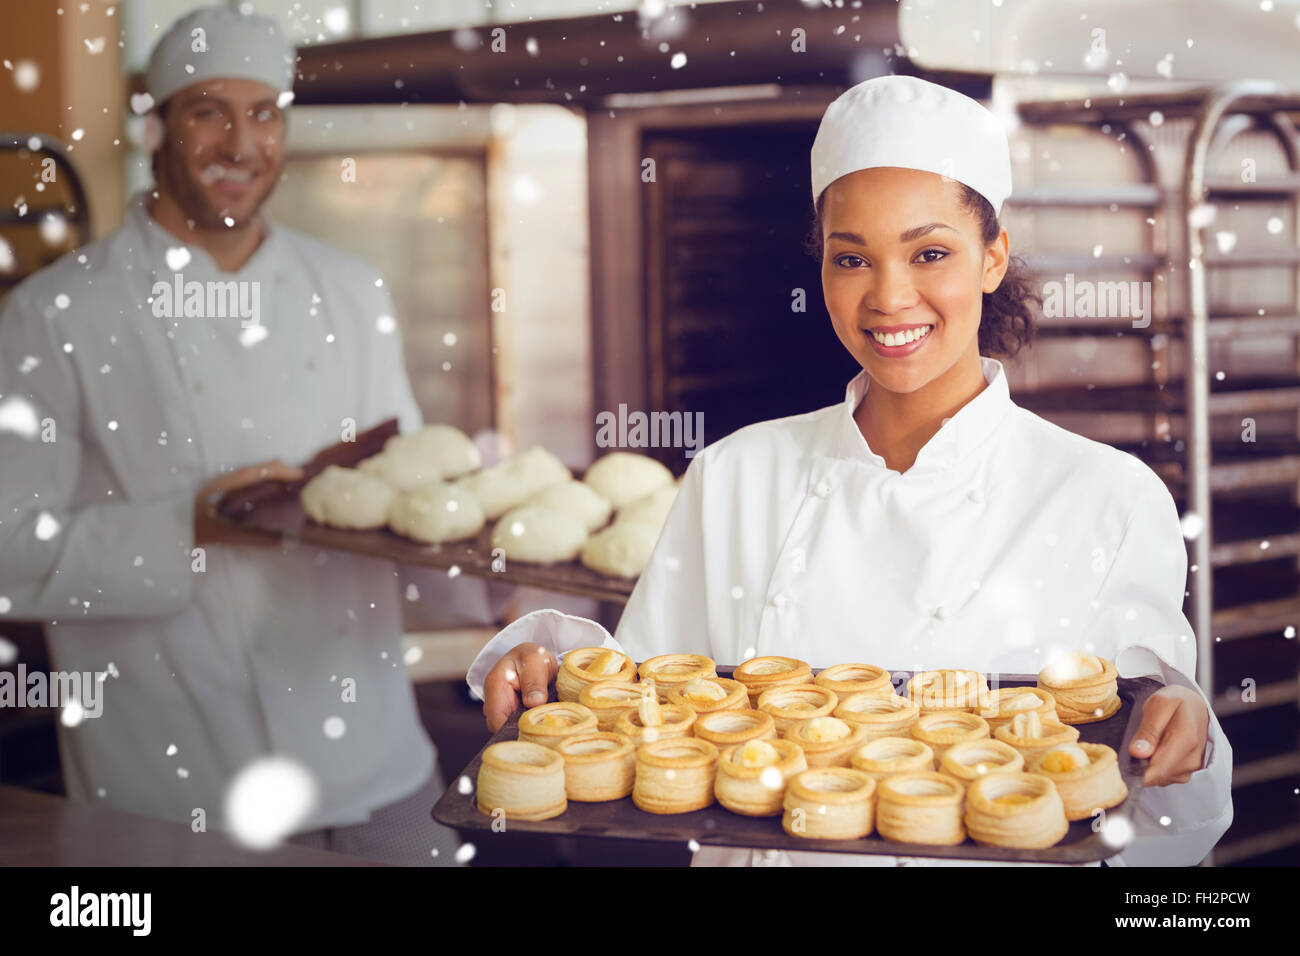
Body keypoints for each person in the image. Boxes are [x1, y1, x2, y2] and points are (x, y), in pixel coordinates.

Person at [467, 75, 1233, 867]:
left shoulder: (1105, 498)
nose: (889, 297)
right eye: (852, 259)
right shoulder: (736, 474)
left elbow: (1167, 819)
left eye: (930, 252)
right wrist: (550, 680)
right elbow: (643, 710)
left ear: (993, 256)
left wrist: (1188, 736)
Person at [0, 5, 492, 865]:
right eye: (208, 112)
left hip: (378, 769)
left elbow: (397, 498)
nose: (241, 143)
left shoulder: (349, 289)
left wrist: (495, 570)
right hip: (177, 791)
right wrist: (186, 525)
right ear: (155, 124)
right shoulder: (57, 315)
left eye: (264, 113)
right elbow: (8, 553)